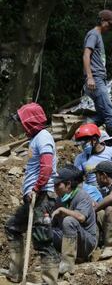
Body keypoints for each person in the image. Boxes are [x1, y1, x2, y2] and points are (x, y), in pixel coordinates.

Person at [5, 103, 59, 284]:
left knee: (43, 240)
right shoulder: (35, 139)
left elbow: (47, 165)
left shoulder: (43, 137)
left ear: (30, 121)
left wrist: (36, 187)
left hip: (42, 196)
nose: (21, 125)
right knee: (12, 227)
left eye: (22, 121)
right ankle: (15, 273)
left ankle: (49, 281)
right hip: (34, 196)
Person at [83, 10, 112, 144]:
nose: (110, 27)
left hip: (99, 79)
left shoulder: (98, 35)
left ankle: (86, 128)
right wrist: (90, 77)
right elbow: (86, 55)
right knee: (110, 114)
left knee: (102, 115)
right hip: (96, 79)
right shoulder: (93, 35)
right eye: (109, 24)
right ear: (102, 21)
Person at [52, 168, 97, 275]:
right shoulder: (60, 200)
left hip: (86, 243)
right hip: (69, 240)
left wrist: (63, 210)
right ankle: (51, 261)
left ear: (68, 184)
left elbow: (81, 217)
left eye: (58, 185)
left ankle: (67, 263)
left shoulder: (82, 196)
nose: (55, 189)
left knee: (69, 220)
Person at [74, 123, 112, 191]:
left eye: (85, 142)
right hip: (93, 194)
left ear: (94, 140)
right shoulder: (80, 158)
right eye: (81, 143)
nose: (83, 146)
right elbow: (77, 180)